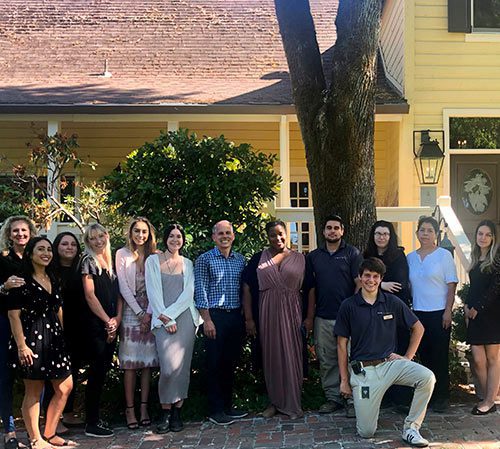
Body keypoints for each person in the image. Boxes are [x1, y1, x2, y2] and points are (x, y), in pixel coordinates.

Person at [335, 258, 435, 447]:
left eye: (375, 276)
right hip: (364, 373)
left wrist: (407, 358)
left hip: (390, 364)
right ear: (360, 277)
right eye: (367, 276)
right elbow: (341, 345)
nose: (371, 280)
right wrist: (344, 380)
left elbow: (418, 328)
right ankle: (368, 407)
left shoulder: (392, 302)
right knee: (366, 432)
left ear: (381, 279)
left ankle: (411, 428)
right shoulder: (348, 306)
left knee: (427, 377)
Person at [7, 237, 74, 449]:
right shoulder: (21, 280)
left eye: (48, 249)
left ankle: (50, 432)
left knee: (65, 386)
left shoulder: (53, 277)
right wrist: (21, 346)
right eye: (40, 249)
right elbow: (13, 316)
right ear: (30, 253)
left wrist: (63, 335)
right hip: (31, 339)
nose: (46, 253)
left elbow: (58, 309)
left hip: (55, 338)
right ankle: (36, 439)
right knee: (34, 391)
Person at [242, 221, 305, 419]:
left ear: (287, 234)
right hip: (266, 311)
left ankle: (293, 403)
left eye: (280, 234)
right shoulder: (257, 259)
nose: (277, 238)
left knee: (292, 355)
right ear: (267, 237)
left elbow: (310, 288)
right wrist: (249, 319)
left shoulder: (301, 259)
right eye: (272, 235)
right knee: (271, 356)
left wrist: (309, 317)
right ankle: (274, 403)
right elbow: (246, 288)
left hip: (292, 311)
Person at [145, 224, 202, 433]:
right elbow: (152, 291)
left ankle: (177, 412)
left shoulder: (187, 263)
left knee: (182, 367)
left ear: (183, 240)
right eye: (171, 236)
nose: (175, 240)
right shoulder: (153, 261)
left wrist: (173, 315)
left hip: (185, 318)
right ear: (165, 239)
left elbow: (189, 293)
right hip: (162, 321)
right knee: (168, 368)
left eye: (179, 237)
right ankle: (165, 411)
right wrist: (166, 318)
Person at [303, 214, 362, 416]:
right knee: (327, 359)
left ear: (342, 231)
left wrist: (354, 310)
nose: (332, 231)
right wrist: (310, 317)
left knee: (352, 358)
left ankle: (352, 399)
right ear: (323, 231)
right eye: (329, 227)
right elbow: (310, 289)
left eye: (336, 227)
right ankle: (333, 398)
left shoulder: (352, 253)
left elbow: (359, 283)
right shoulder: (313, 257)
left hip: (347, 318)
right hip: (323, 317)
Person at [194, 220, 247, 425]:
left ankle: (227, 406)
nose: (225, 236)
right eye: (220, 233)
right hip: (214, 317)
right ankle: (215, 410)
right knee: (214, 363)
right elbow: (201, 290)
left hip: (235, 316)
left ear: (233, 236)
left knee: (229, 362)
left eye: (228, 233)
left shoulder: (240, 260)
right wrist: (206, 320)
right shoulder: (204, 260)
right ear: (214, 237)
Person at [407, 216, 458, 412]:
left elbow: (451, 285)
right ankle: (427, 396)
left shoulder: (444, 256)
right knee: (424, 357)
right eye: (422, 230)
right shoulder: (410, 258)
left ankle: (442, 398)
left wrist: (448, 311)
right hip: (418, 313)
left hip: (439, 313)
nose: (425, 233)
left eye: (430, 230)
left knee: (439, 356)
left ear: (436, 234)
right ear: (417, 233)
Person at [116, 218, 159, 430]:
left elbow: (156, 288)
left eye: (144, 231)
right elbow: (123, 287)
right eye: (136, 231)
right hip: (131, 311)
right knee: (130, 364)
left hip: (151, 310)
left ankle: (144, 408)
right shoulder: (122, 254)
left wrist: (149, 313)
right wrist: (140, 313)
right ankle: (130, 409)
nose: (140, 235)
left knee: (148, 363)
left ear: (149, 234)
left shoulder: (155, 256)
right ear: (130, 233)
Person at [364, 220, 412, 407]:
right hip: (372, 313)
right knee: (378, 355)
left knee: (397, 353)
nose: (381, 237)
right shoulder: (367, 255)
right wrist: (383, 284)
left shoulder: (398, 256)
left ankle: (401, 399)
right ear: (373, 236)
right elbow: (363, 282)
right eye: (378, 234)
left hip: (396, 313)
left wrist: (375, 285)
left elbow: (399, 284)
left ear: (390, 236)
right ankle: (381, 397)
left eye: (385, 234)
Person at [81, 223, 123, 438]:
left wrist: (117, 319)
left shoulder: (110, 263)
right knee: (96, 373)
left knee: (103, 371)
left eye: (101, 236)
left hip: (112, 324)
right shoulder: (88, 262)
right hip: (96, 326)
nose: (98, 241)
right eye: (93, 238)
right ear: (88, 242)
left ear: (107, 236)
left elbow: (118, 296)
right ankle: (91, 422)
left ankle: (96, 417)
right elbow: (90, 296)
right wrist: (107, 321)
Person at [0, 215, 37, 449]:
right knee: (5, 377)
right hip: (5, 323)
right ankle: (9, 429)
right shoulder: (2, 260)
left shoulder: (39, 257)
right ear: (9, 234)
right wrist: (4, 287)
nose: (20, 234)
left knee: (36, 375)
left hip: (34, 325)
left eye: (24, 230)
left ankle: (35, 430)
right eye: (16, 231)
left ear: (31, 233)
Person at [42, 232, 86, 430]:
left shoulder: (81, 269)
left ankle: (67, 413)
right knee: (54, 375)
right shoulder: (49, 271)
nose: (69, 247)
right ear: (56, 247)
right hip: (54, 329)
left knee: (72, 372)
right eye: (64, 244)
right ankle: (51, 420)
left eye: (73, 244)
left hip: (77, 328)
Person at [464, 219, 500, 415]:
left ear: (493, 238)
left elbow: (496, 288)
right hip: (475, 314)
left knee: (493, 358)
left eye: (487, 234)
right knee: (478, 359)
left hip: (492, 314)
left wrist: (478, 307)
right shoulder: (475, 257)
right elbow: (474, 287)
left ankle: (488, 400)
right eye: (480, 234)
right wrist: (467, 306)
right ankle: (490, 397)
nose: (483, 238)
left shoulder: (497, 259)